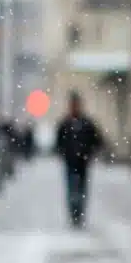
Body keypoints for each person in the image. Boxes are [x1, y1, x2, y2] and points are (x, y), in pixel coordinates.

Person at [56, 91, 103, 228]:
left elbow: (97, 140)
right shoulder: (65, 124)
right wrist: (63, 153)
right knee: (71, 189)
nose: (74, 107)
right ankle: (73, 214)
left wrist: (90, 153)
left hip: (83, 163)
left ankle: (79, 214)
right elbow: (58, 142)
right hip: (70, 163)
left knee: (81, 190)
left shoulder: (87, 123)